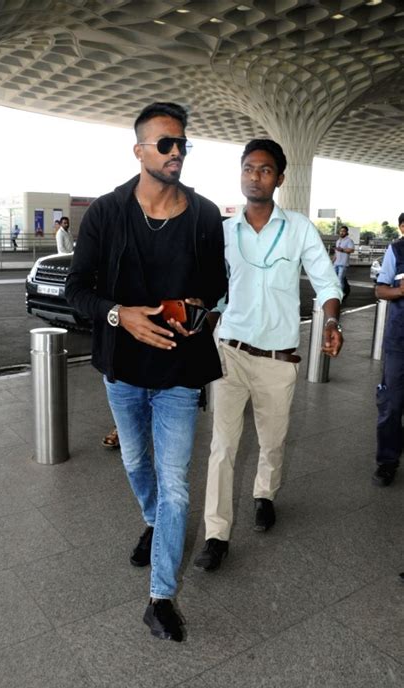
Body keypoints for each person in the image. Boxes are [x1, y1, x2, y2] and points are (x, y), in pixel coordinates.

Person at [65, 102, 227, 641]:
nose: (176, 152)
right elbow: (78, 291)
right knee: (137, 463)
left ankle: (160, 597)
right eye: (165, 144)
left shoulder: (204, 215)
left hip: (180, 372)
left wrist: (198, 309)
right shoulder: (108, 213)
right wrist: (121, 314)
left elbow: (215, 286)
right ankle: (154, 523)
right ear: (140, 151)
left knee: (176, 482)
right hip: (125, 370)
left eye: (182, 144)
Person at [194, 138, 343, 573]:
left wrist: (331, 322)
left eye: (263, 170)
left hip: (278, 358)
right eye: (248, 168)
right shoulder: (222, 233)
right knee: (221, 446)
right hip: (230, 352)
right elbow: (214, 292)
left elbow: (327, 283)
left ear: (279, 178)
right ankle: (216, 534)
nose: (254, 176)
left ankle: (264, 494)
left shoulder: (298, 228)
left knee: (272, 439)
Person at [373, 212, 404, 487]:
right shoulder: (396, 250)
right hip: (399, 342)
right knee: (392, 405)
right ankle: (387, 461)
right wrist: (401, 291)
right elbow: (381, 290)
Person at [333, 225, 354, 293]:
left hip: (343, 264)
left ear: (347, 232)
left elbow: (351, 250)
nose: (342, 232)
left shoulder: (349, 240)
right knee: (334, 279)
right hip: (336, 263)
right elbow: (336, 253)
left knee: (340, 279)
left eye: (344, 231)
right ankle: (343, 290)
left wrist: (342, 250)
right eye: (341, 231)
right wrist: (332, 261)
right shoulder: (338, 241)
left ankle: (340, 294)